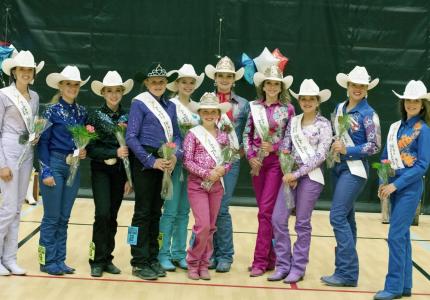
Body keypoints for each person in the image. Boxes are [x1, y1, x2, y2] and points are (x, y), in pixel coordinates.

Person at [321, 66, 381, 287]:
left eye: (362, 86)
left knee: (336, 216)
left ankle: (347, 272)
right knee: (347, 218)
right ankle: (345, 271)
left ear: (367, 89)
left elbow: (374, 145)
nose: (358, 89)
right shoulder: (339, 108)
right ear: (347, 86)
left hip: (355, 170)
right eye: (354, 84)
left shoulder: (368, 114)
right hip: (337, 168)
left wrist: (349, 150)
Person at [270, 79, 332, 283]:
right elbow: (285, 147)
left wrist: (296, 174)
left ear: (317, 101)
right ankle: (282, 265)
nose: (306, 102)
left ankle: (298, 267)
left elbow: (321, 155)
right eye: (303, 99)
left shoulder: (324, 124)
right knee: (278, 219)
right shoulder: (294, 121)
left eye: (310, 99)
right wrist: (289, 171)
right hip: (290, 177)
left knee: (302, 223)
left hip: (311, 178)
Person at [374, 80, 430, 300]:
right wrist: (382, 180)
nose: (411, 104)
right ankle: (405, 286)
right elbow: (385, 158)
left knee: (395, 236)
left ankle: (394, 286)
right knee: (403, 237)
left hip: (409, 187)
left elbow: (422, 165)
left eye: (416, 100)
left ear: (423, 104)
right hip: (392, 185)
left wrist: (395, 185)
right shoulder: (396, 127)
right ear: (403, 102)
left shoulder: (424, 130)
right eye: (408, 100)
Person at [126, 62, 181, 280]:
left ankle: (151, 257)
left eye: (161, 81)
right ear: (147, 83)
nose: (158, 85)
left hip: (165, 161)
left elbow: (176, 136)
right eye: (153, 82)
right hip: (145, 161)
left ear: (166, 83)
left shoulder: (171, 107)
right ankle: (138, 261)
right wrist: (151, 161)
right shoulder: (139, 104)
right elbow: (131, 137)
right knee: (142, 212)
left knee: (156, 212)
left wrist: (175, 155)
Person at [243, 65, 295, 277]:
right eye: (269, 83)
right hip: (258, 165)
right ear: (262, 85)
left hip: (275, 164)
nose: (272, 86)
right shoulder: (254, 106)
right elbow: (247, 133)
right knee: (268, 213)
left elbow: (290, 138)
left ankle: (259, 261)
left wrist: (273, 148)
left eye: (276, 83)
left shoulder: (288, 109)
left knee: (265, 212)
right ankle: (272, 258)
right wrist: (251, 157)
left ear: (280, 87)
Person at [38, 65, 89, 275]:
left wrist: (83, 150)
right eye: (69, 84)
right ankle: (47, 260)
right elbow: (42, 144)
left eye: (76, 85)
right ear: (60, 86)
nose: (72, 88)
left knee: (64, 217)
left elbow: (83, 140)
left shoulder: (82, 112)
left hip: (74, 167)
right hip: (55, 164)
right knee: (52, 216)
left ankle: (60, 259)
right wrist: (46, 171)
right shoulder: (50, 111)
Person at [0, 50, 44, 276]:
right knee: (7, 208)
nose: (26, 73)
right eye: (22, 69)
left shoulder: (34, 97)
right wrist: (1, 164)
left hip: (27, 152)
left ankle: (10, 258)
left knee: (17, 209)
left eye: (29, 69)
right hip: (8, 150)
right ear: (14, 71)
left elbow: (32, 124)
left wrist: (35, 135)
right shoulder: (3, 95)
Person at [204, 56, 249, 272]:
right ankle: (208, 253)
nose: (224, 79)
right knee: (207, 209)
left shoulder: (243, 105)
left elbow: (248, 134)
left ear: (234, 79)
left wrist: (241, 151)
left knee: (221, 207)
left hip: (230, 162)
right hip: (207, 162)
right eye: (220, 75)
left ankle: (225, 255)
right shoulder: (205, 101)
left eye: (228, 76)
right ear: (215, 78)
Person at [87, 71, 134, 277]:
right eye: (109, 91)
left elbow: (131, 149)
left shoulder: (129, 116)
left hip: (119, 173)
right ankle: (96, 260)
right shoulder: (94, 116)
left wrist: (128, 178)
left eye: (117, 91)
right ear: (103, 93)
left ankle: (107, 258)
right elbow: (90, 149)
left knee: (113, 216)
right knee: (102, 213)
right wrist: (112, 152)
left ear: (122, 92)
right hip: (101, 172)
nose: (113, 95)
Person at [158, 64, 202, 272]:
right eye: (184, 81)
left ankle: (178, 253)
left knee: (184, 211)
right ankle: (163, 253)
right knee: (170, 211)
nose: (188, 85)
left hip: (192, 167)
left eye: (191, 82)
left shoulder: (198, 108)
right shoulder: (169, 104)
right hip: (175, 164)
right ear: (176, 84)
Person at [183, 92, 232, 280]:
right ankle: (193, 262)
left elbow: (228, 161)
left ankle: (204, 263)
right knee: (202, 225)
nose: (210, 115)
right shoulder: (193, 134)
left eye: (213, 111)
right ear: (200, 113)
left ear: (218, 114)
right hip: (197, 185)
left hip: (216, 186)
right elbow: (187, 161)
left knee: (211, 227)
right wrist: (206, 173)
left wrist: (222, 171)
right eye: (206, 112)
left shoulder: (224, 136)